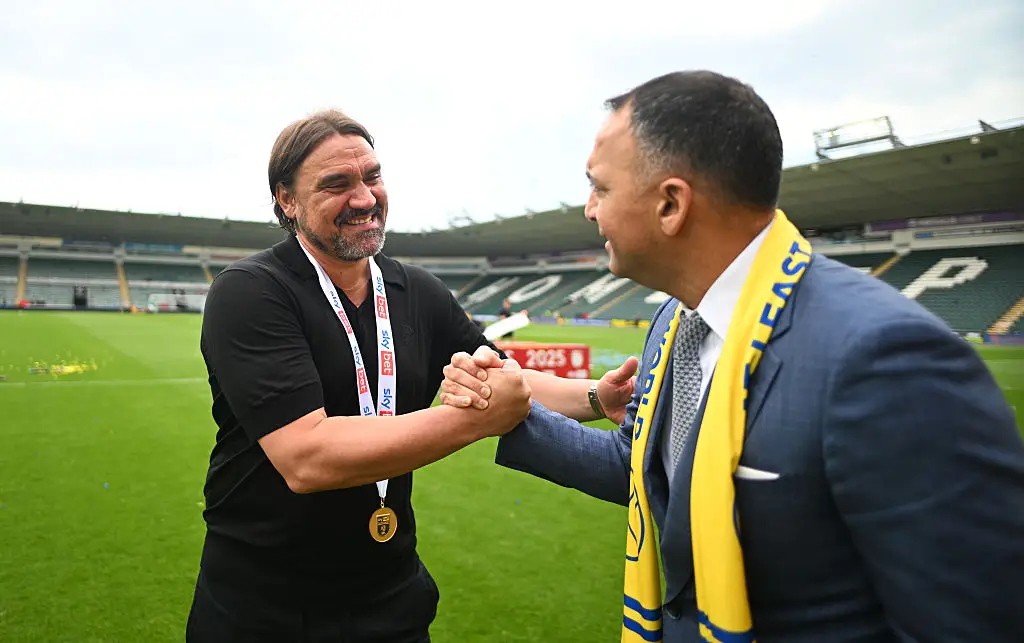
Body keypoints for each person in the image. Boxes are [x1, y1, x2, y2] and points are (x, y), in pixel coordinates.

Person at [440, 71, 1024, 642]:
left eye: (601, 188)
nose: (590, 210)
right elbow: (646, 473)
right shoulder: (675, 321)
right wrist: (512, 411)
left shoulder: (884, 358)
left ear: (672, 204)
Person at [186, 109, 637, 643]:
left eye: (371, 177)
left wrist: (593, 394)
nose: (363, 197)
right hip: (267, 606)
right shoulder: (252, 291)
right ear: (287, 200)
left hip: (391, 595)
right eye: (337, 184)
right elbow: (306, 457)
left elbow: (504, 375)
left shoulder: (415, 291)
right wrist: (470, 423)